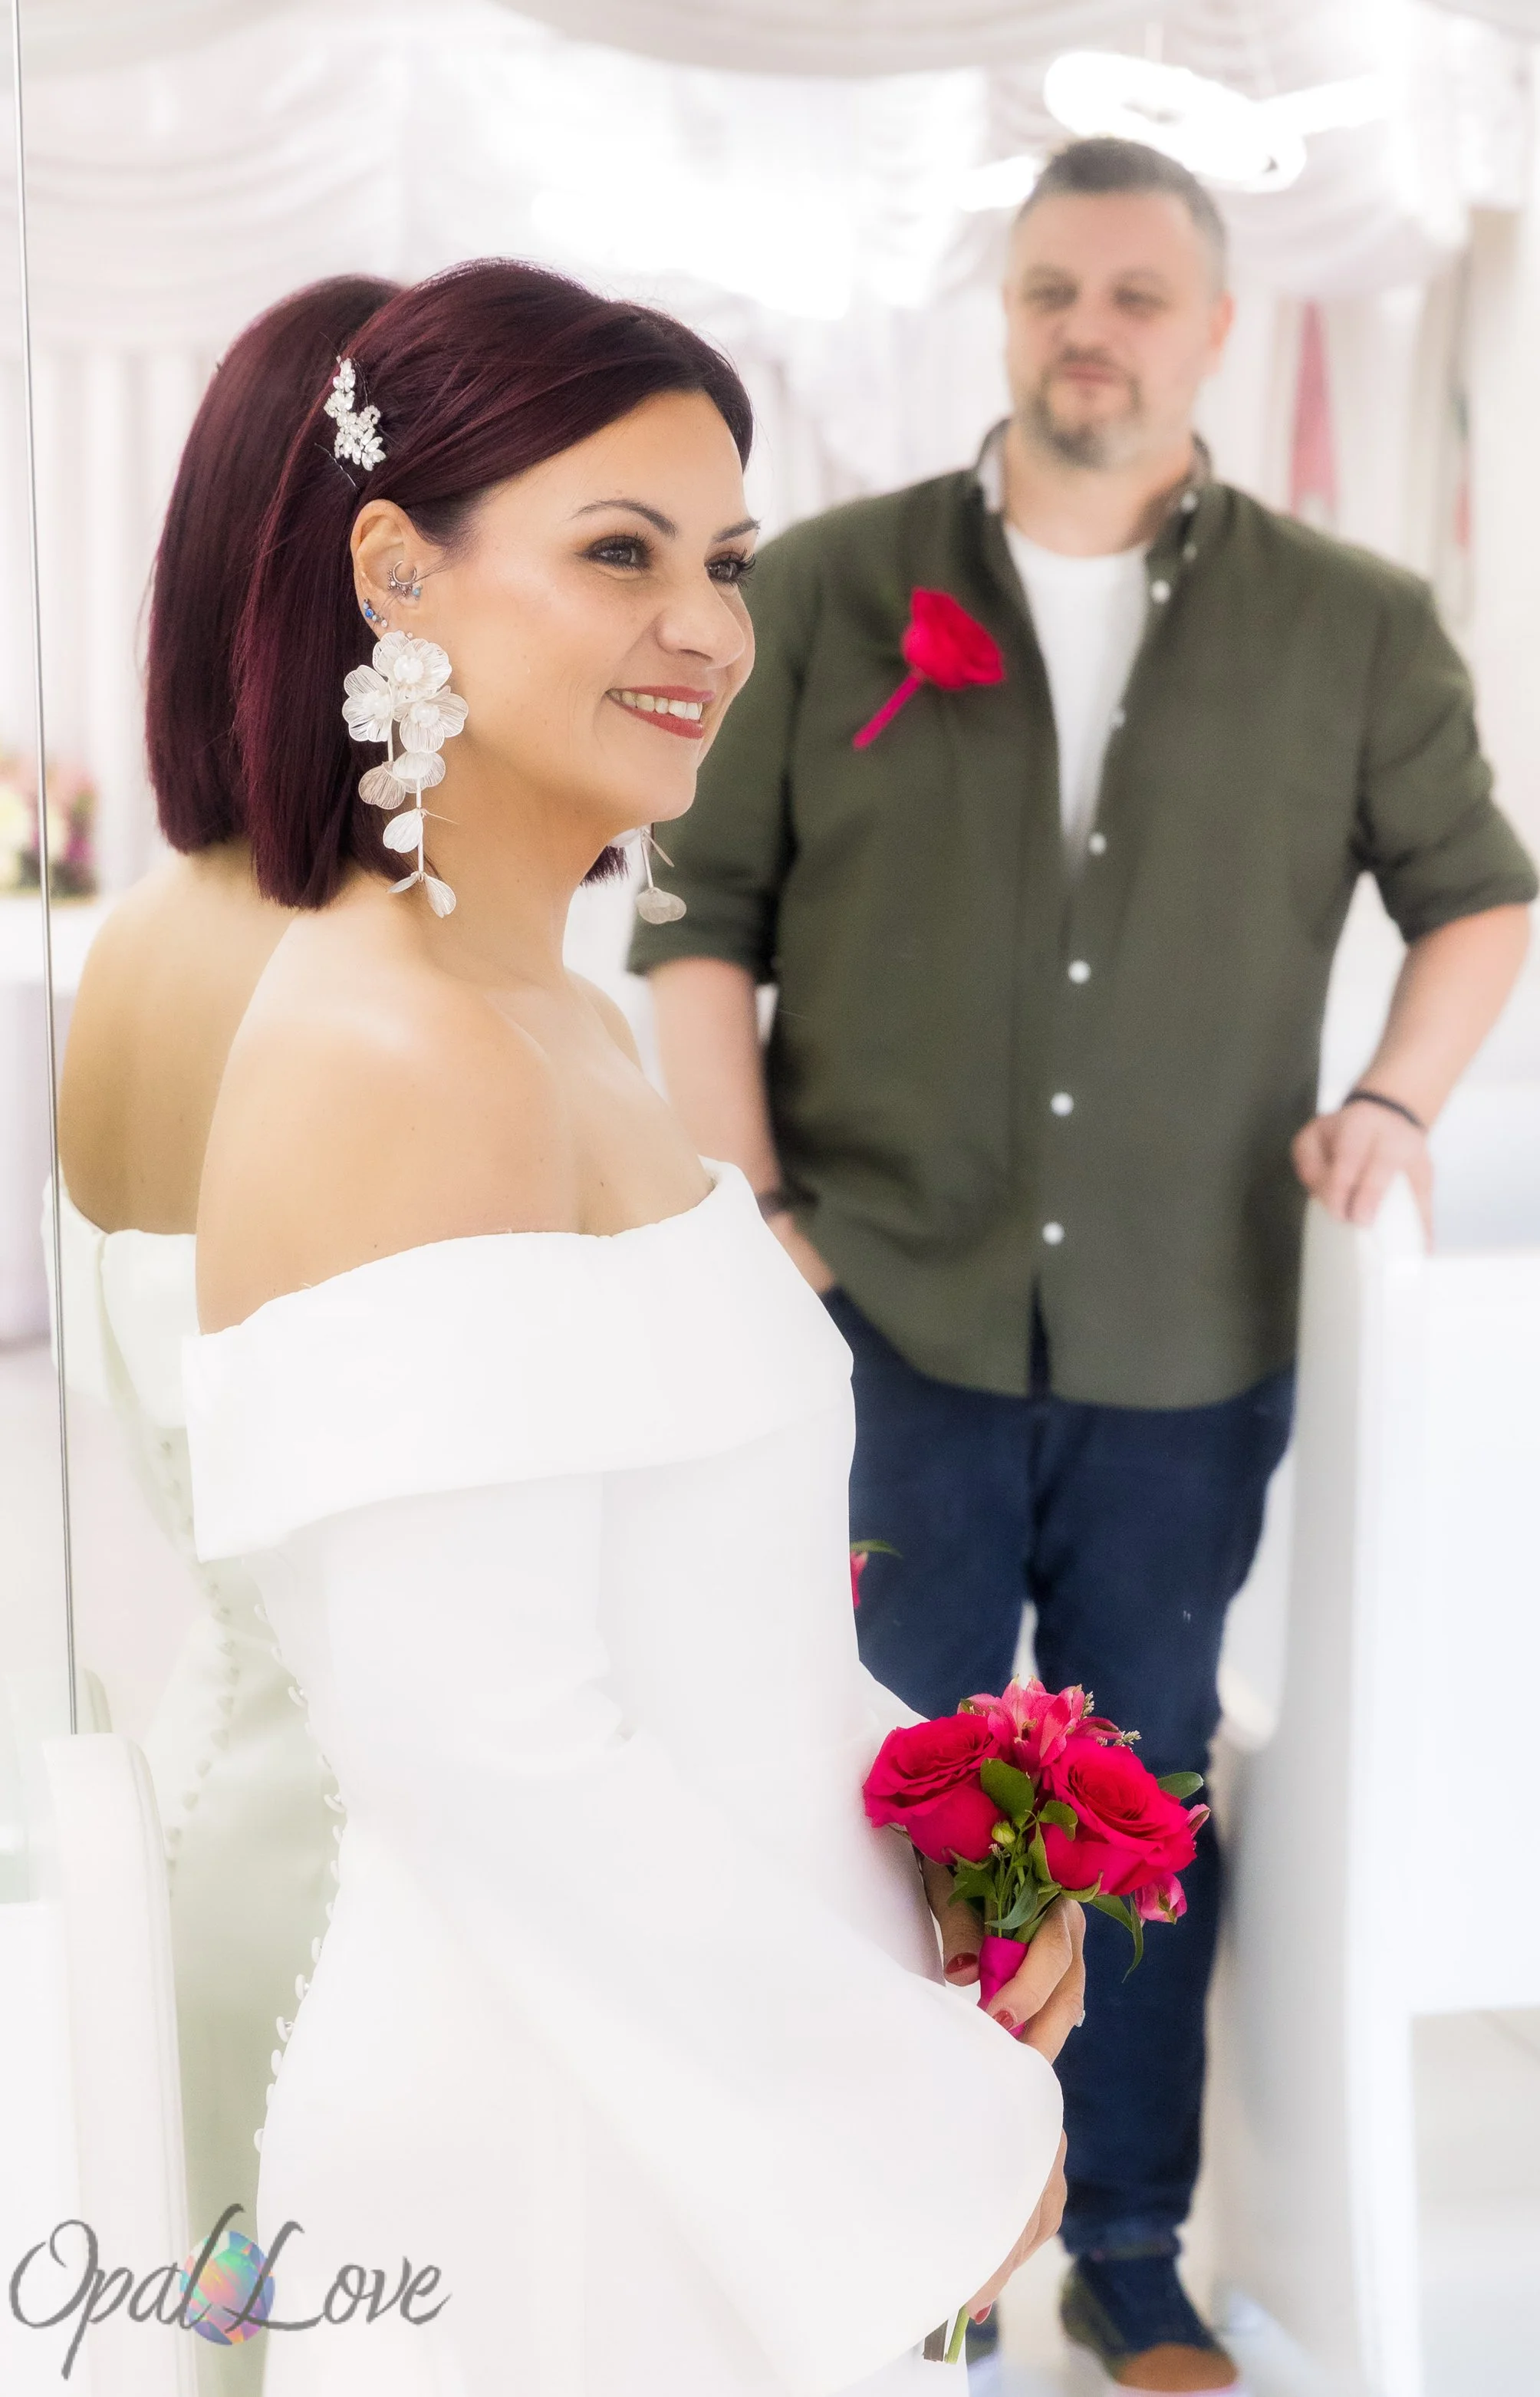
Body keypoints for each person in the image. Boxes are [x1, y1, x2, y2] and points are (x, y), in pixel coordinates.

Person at [633, 138, 1538, 2394]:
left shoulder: (1350, 624)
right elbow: (692, 923)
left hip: (1185, 1322)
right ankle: (894, 2244)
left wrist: (1398, 1104)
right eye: (1051, 288)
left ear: (1213, 329)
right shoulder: (827, 589)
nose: (1089, 329)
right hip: (879, 1322)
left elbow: (1478, 893)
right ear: (1002, 313)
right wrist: (753, 1213)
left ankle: (1122, 2238)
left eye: (1138, 293)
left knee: (1134, 1788)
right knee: (876, 1789)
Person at [186, 260, 1079, 2396]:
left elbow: (701, 1618)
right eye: (620, 551)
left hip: (693, 2096)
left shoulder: (561, 1020)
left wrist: (936, 1851)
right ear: (399, 572)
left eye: (728, 560)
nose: (708, 625)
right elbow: (485, 1750)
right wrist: (919, 2119)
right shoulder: (390, 1057)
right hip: (564, 2168)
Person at [54, 273, 397, 2392]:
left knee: (243, 2345)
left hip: (232, 1799)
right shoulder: (359, 973)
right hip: (349, 1882)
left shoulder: (159, 917)